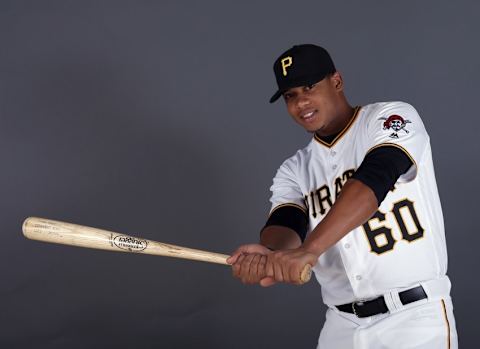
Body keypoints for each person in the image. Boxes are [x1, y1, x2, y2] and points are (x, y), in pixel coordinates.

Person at [227, 44, 458, 349]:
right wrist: (269, 253)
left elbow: (373, 181)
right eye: (290, 96)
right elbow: (287, 224)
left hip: (414, 318)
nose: (301, 102)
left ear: (336, 81)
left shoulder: (391, 117)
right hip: (342, 326)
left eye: (309, 86)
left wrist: (310, 250)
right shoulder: (294, 169)